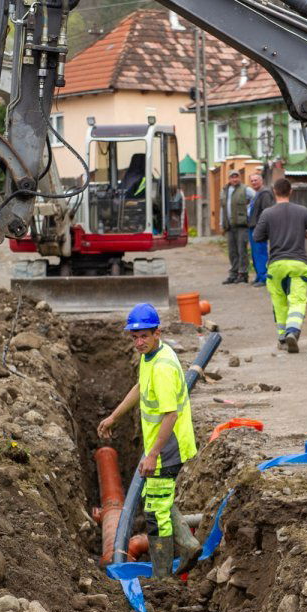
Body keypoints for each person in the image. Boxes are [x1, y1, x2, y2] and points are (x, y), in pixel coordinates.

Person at [97, 303, 202, 579]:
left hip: (169, 446)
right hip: (163, 444)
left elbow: (170, 414)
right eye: (134, 337)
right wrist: (114, 417)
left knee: (155, 512)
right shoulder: (150, 358)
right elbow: (139, 387)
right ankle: (188, 545)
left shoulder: (164, 366)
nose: (139, 342)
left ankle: (162, 576)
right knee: (158, 498)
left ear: (157, 333)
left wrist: (153, 453)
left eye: (144, 336)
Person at [254, 178, 307, 353]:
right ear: (290, 192)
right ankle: (293, 331)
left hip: (276, 265)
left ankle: (283, 338)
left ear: (274, 191)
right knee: (297, 300)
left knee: (279, 303)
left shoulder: (267, 213)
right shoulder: (302, 211)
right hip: (298, 263)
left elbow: (257, 237)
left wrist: (273, 232)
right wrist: (304, 234)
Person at [220, 170, 251, 284]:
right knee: (232, 251)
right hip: (229, 226)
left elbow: (255, 199)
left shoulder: (245, 189)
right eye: (232, 177)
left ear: (240, 178)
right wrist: (221, 224)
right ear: (229, 179)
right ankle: (233, 274)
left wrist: (248, 212)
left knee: (242, 250)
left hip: (241, 225)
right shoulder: (224, 190)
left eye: (236, 177)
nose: (234, 179)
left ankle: (243, 274)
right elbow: (222, 208)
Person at [246, 172, 275, 286]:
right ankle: (259, 275)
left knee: (261, 252)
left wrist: (262, 227)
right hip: (253, 227)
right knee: (254, 253)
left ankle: (264, 277)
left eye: (256, 180)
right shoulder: (257, 194)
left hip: (259, 228)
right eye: (252, 181)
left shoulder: (265, 193)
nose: (253, 182)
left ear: (261, 181)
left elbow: (266, 211)